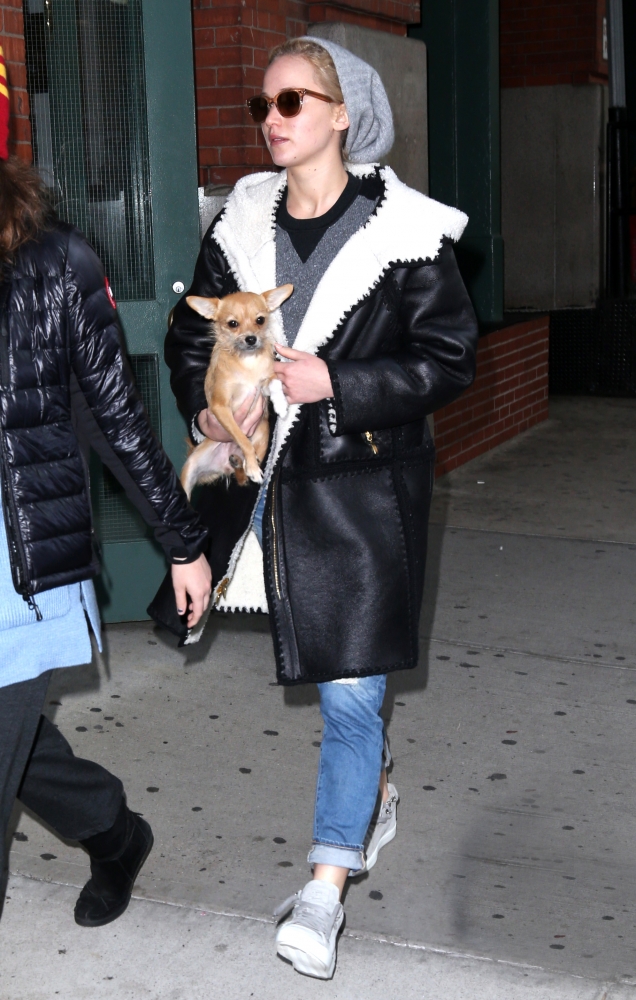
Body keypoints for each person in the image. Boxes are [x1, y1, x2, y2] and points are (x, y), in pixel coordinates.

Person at [156, 37, 478, 978]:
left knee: (349, 692)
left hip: (360, 489)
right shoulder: (240, 221)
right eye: (263, 105)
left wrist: (337, 380)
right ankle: (373, 790)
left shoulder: (404, 230)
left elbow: (448, 360)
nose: (273, 119)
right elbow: (188, 341)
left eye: (293, 102)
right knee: (345, 692)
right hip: (256, 481)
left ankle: (324, 893)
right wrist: (209, 411)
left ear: (344, 115)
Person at [0, 49, 212, 929]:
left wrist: (184, 543)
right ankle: (113, 832)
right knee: (13, 745)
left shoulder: (56, 264)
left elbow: (116, 421)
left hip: (18, 569)